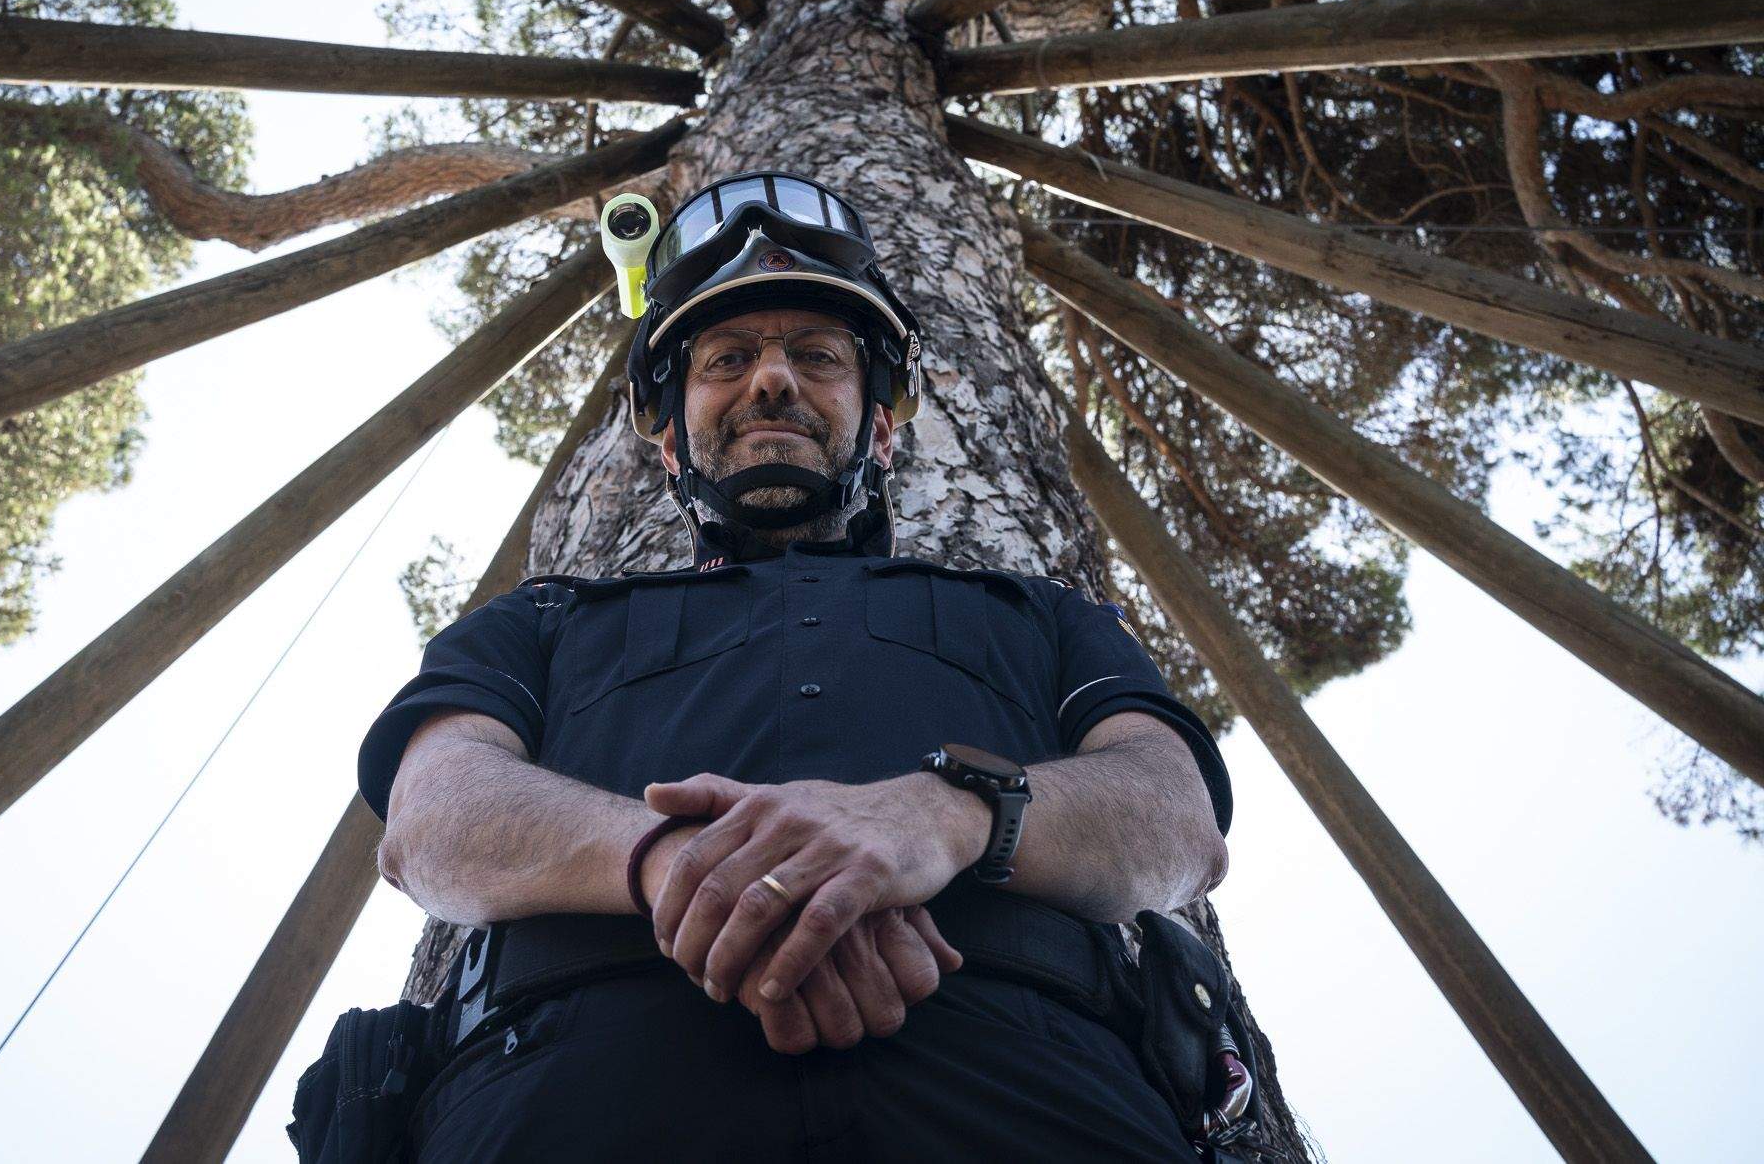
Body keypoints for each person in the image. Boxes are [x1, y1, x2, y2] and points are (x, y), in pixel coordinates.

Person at [357, 172, 1235, 1161]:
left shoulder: (1044, 616)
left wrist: (943, 816)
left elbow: (1176, 818)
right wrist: (676, 867)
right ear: (667, 446)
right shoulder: (541, 620)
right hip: (557, 1097)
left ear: (885, 425)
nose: (770, 380)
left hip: (1038, 1092)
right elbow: (428, 820)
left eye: (816, 355)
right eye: (725, 357)